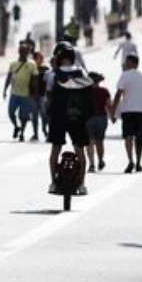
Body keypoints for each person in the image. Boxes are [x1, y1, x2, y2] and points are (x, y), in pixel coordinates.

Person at [45, 42, 92, 195]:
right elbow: (88, 95)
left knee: (55, 150)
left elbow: (48, 97)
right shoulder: (81, 73)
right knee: (80, 151)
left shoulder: (53, 74)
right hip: (77, 117)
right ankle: (82, 185)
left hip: (58, 117)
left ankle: (53, 183)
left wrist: (49, 113)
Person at [111, 54, 142, 174]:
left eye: (127, 62)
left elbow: (118, 94)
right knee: (139, 138)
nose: (125, 64)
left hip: (127, 111)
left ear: (133, 63)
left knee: (128, 136)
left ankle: (130, 160)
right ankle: (138, 163)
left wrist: (113, 111)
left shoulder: (124, 75)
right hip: (141, 111)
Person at [4, 41, 39, 142]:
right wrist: (5, 89)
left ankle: (22, 133)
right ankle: (16, 126)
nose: (23, 53)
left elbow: (35, 79)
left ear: (28, 52)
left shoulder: (32, 64)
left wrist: (35, 93)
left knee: (23, 116)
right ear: (19, 52)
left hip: (26, 95)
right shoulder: (13, 64)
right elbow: (9, 77)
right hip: (14, 93)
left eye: (25, 51)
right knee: (11, 113)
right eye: (22, 51)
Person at [85, 72, 111, 173]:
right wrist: (112, 116)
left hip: (88, 118)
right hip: (101, 117)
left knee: (89, 142)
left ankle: (92, 164)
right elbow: (109, 105)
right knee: (100, 141)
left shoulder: (84, 92)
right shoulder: (104, 91)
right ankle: (100, 160)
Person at [24, 50, 48, 141]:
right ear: (35, 59)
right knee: (34, 116)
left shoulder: (45, 69)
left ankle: (44, 130)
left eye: (42, 58)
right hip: (32, 95)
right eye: (39, 58)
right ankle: (35, 134)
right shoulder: (29, 69)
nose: (42, 59)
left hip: (42, 95)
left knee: (44, 115)